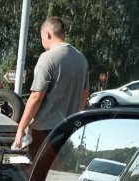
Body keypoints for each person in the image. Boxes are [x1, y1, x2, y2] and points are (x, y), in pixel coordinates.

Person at [13, 16, 89, 162]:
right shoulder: (81, 59)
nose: (42, 42)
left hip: (44, 131)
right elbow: (84, 95)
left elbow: (36, 97)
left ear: (47, 34)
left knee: (30, 171)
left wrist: (20, 129)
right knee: (48, 172)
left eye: (42, 38)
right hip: (67, 130)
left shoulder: (47, 58)